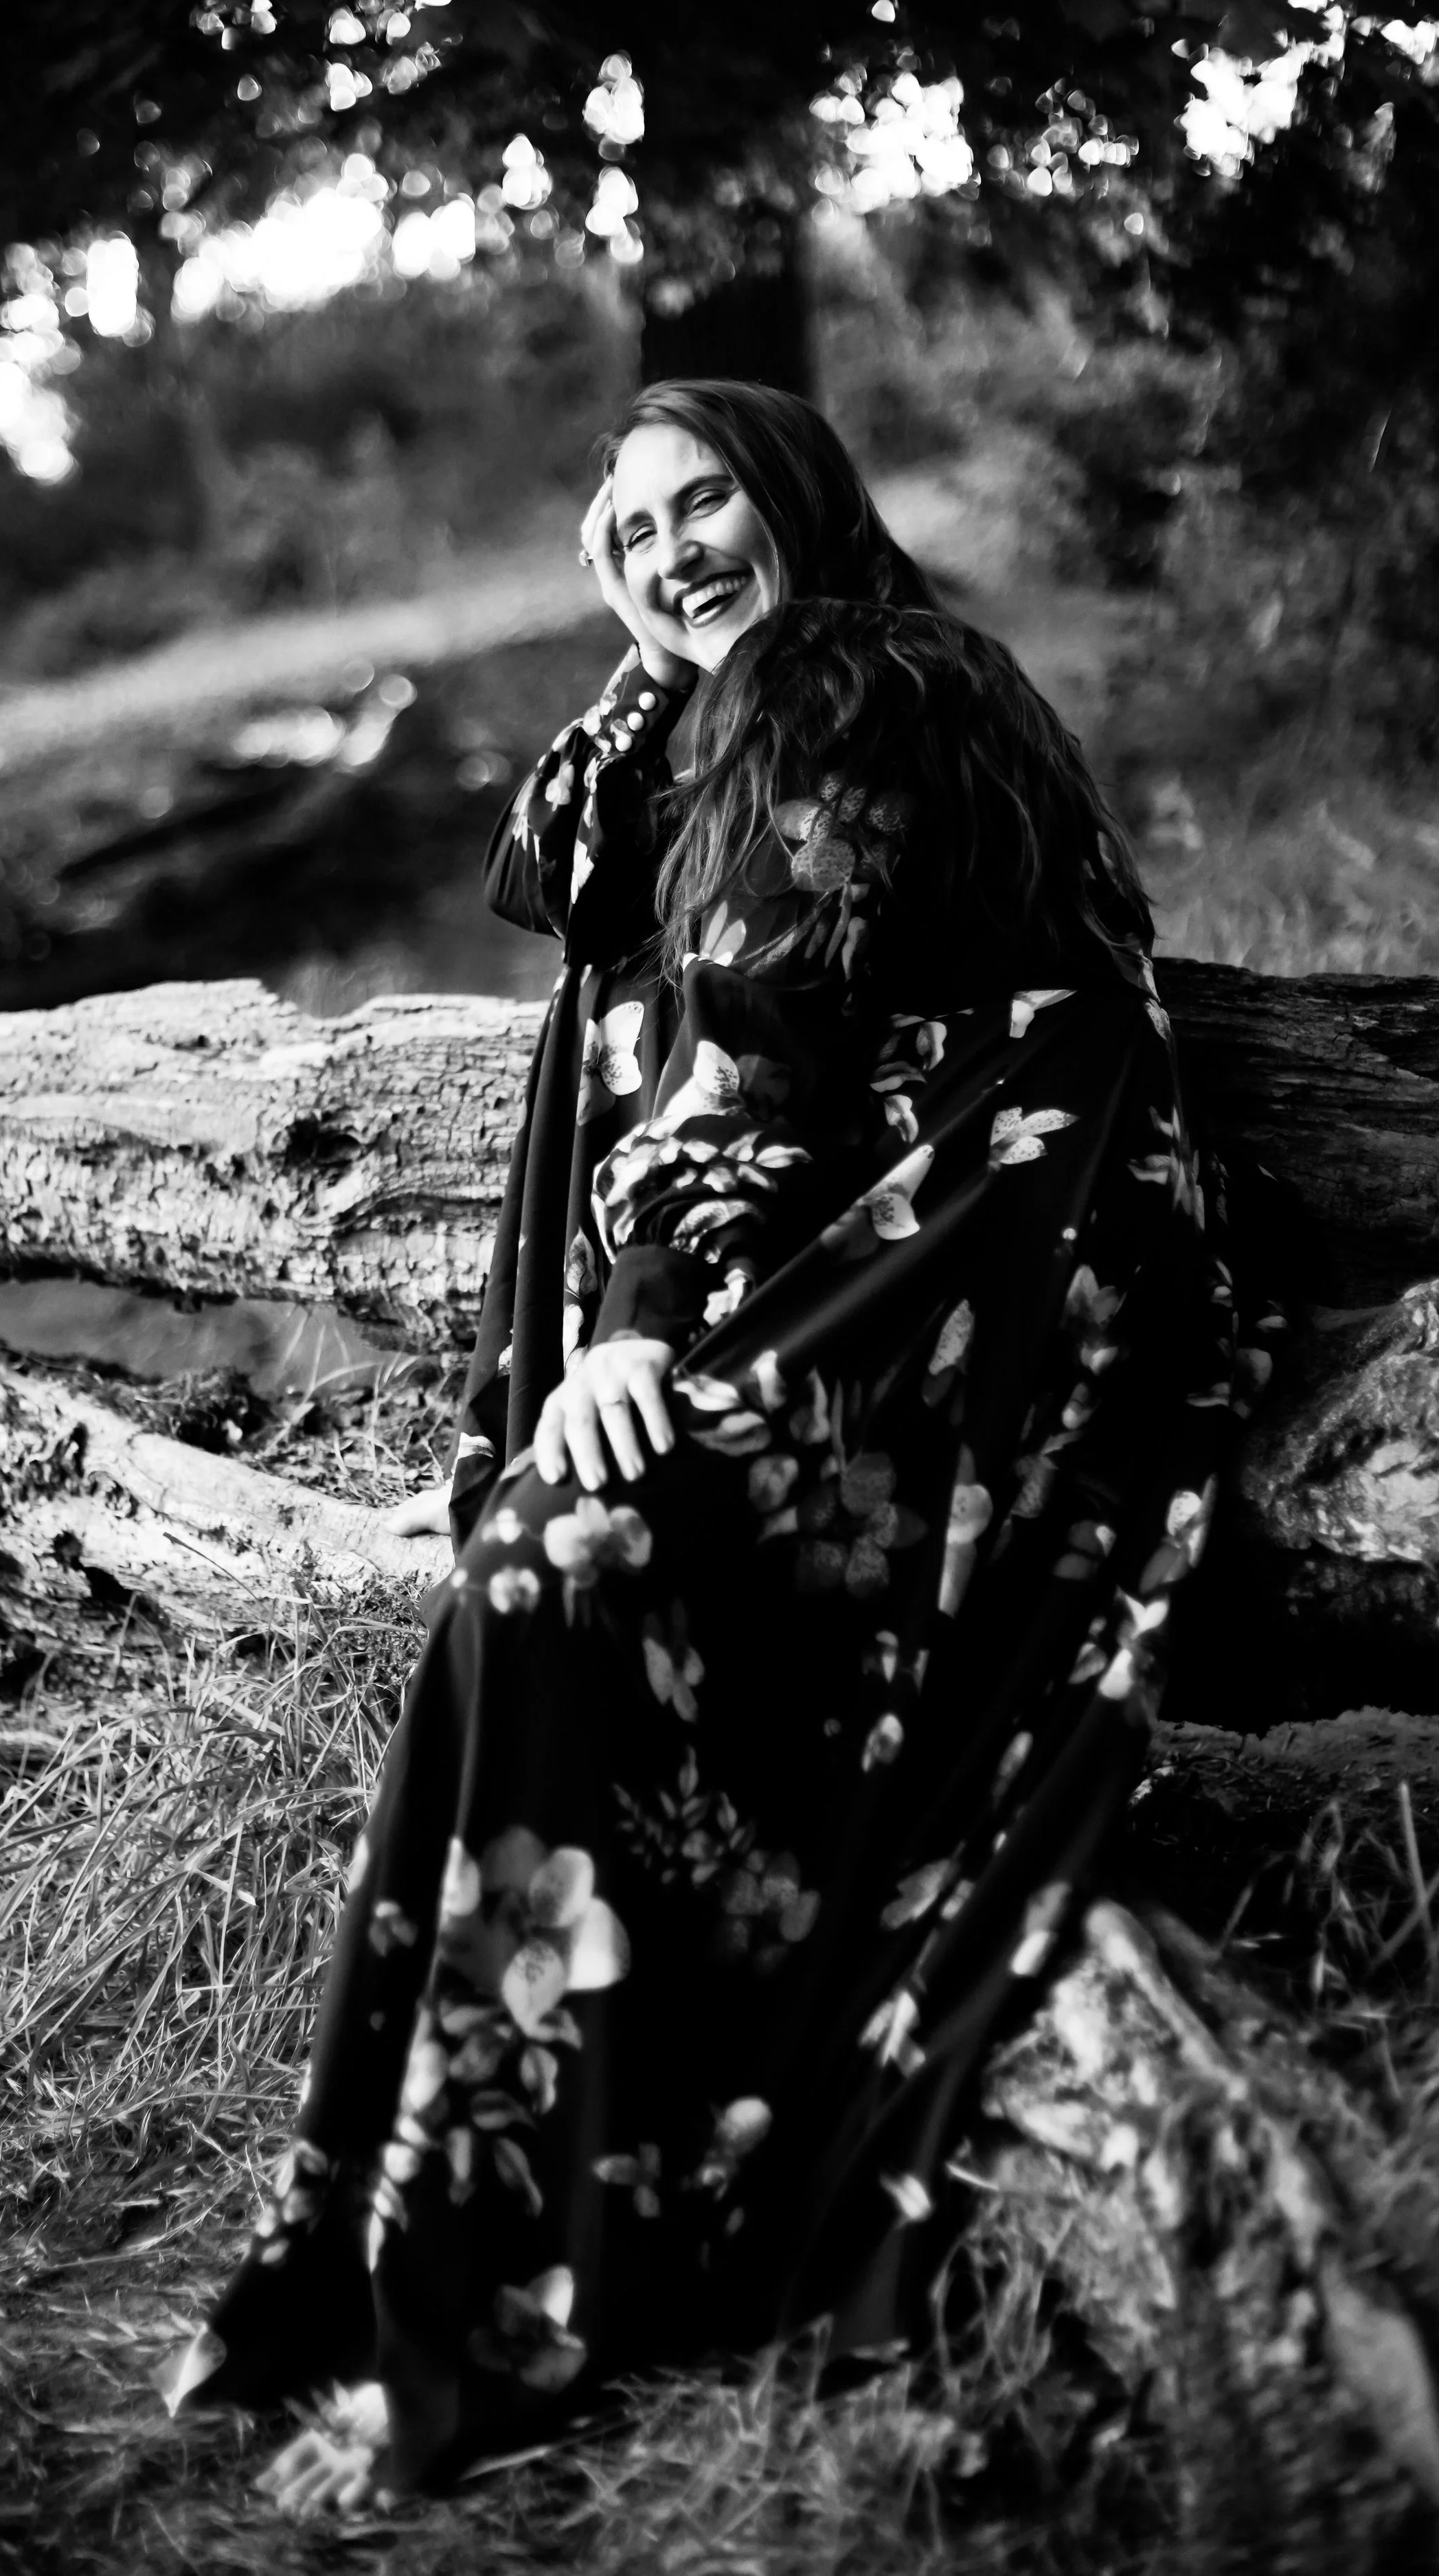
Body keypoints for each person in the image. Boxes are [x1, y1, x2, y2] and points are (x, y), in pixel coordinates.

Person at [161, 380, 1264, 2517]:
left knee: (559, 1558)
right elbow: (574, 879)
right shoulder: (734, 697)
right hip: (886, 1255)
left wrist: (639, 1340)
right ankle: (467, 2219)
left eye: (709, 505)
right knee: (541, 1551)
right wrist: (648, 631)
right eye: (627, 520)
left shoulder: (866, 679)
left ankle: (504, 2279)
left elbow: (747, 1024)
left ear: (806, 507)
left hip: (1001, 1286)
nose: (668, 548)